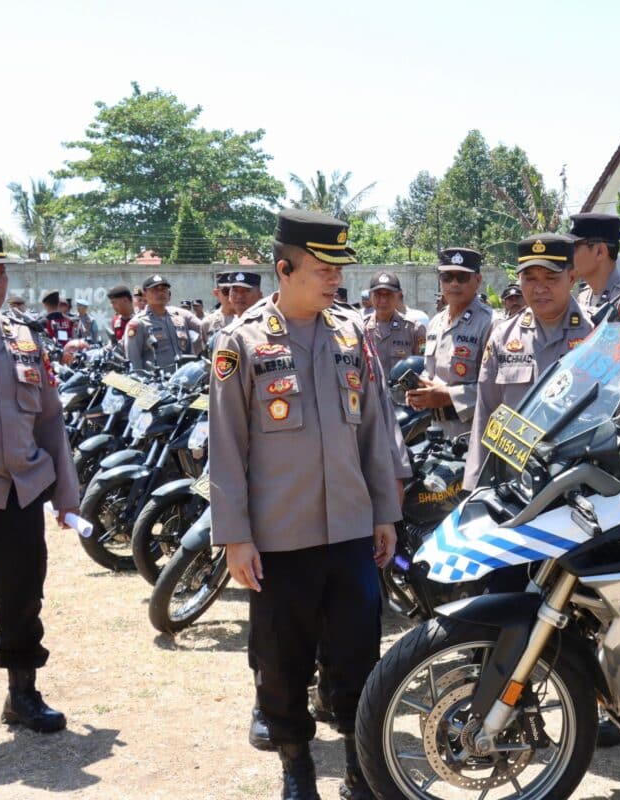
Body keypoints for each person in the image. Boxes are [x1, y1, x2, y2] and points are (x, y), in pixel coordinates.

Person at [209, 209, 400, 800]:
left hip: (348, 531)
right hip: (278, 540)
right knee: (282, 663)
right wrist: (235, 537)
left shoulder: (352, 334)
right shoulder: (240, 343)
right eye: (321, 269)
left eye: (338, 269)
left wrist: (385, 512)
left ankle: (357, 766)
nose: (333, 281)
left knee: (356, 657)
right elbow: (226, 446)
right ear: (283, 269)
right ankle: (297, 767)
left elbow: (374, 430)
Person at [0, 235, 79, 753]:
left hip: (21, 496)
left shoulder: (23, 339)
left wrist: (67, 494)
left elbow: (52, 420)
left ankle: (22, 695)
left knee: (22, 598)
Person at [464, 235, 592, 489]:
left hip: (579, 481)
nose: (539, 288)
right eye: (530, 278)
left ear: (572, 278)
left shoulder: (596, 334)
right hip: (515, 483)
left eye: (551, 278)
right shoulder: (503, 336)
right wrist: (475, 485)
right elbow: (486, 414)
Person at [407, 248, 495, 438]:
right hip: (436, 428)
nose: (454, 283)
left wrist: (448, 396)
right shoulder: (435, 322)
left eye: (462, 277)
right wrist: (420, 390)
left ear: (477, 280)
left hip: (474, 433)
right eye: (447, 276)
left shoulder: (492, 324)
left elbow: (497, 389)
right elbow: (431, 371)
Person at [124, 274, 203, 369]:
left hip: (183, 379)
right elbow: (134, 360)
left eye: (164, 289)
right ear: (145, 294)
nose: (161, 293)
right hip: (155, 381)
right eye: (155, 290)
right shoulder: (138, 323)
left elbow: (189, 350)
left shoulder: (179, 319)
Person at [365, 271, 424, 376]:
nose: (383, 300)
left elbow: (424, 367)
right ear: (370, 296)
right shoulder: (361, 329)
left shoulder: (413, 329)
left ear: (399, 295)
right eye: (378, 294)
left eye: (389, 294)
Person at [199, 272, 236, 345]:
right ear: (216, 293)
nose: (231, 296)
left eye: (235, 291)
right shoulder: (208, 323)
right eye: (227, 291)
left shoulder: (252, 322)